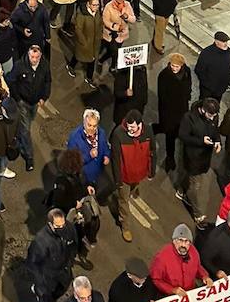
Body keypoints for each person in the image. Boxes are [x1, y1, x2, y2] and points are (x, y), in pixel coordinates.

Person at [175, 96, 221, 227]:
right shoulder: (189, 118)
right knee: (196, 188)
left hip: (205, 157)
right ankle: (198, 214)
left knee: (190, 178)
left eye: (214, 116)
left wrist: (218, 141)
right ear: (203, 110)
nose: (212, 118)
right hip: (192, 157)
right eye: (210, 115)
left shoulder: (213, 117)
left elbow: (215, 131)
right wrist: (201, 141)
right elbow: (183, 136)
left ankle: (181, 190)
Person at [26, 208, 76, 302]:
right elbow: (32, 264)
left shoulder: (68, 228)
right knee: (45, 301)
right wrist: (40, 282)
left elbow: (73, 245)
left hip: (63, 272)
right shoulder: (41, 241)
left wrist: (70, 262)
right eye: (58, 226)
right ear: (50, 224)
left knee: (59, 291)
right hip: (47, 279)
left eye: (63, 225)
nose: (62, 228)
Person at [109, 111, 154, 243]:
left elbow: (152, 151)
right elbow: (116, 159)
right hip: (125, 176)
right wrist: (118, 180)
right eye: (128, 127)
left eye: (133, 127)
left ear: (140, 125)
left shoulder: (148, 131)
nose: (130, 130)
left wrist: (151, 171)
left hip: (139, 174)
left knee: (131, 192)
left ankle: (133, 191)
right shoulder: (118, 134)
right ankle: (125, 226)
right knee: (124, 201)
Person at [10, 42, 51, 174]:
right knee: (26, 130)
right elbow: (12, 81)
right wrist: (18, 99)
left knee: (27, 123)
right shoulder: (20, 65)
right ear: (28, 54)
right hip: (23, 102)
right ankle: (29, 156)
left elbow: (47, 81)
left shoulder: (44, 65)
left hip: (35, 103)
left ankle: (16, 135)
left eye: (36, 57)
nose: (34, 60)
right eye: (32, 57)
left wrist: (44, 97)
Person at [148, 225, 212, 298]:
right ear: (174, 241)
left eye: (186, 241)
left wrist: (205, 276)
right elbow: (156, 279)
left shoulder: (194, 252)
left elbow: (197, 267)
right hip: (170, 297)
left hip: (189, 293)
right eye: (180, 240)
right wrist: (172, 290)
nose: (183, 245)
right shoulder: (161, 258)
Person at [157, 52, 192, 175]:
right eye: (172, 65)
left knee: (181, 132)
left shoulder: (186, 72)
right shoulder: (164, 75)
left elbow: (189, 85)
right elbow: (162, 95)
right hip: (169, 112)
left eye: (177, 66)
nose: (174, 68)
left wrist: (187, 96)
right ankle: (170, 158)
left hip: (182, 109)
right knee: (170, 136)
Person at [66, 108, 112, 201]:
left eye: (94, 126)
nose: (92, 128)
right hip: (83, 178)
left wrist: (106, 155)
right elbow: (73, 162)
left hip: (97, 173)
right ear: (84, 122)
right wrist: (89, 156)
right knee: (81, 198)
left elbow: (106, 146)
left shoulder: (101, 133)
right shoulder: (75, 137)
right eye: (89, 125)